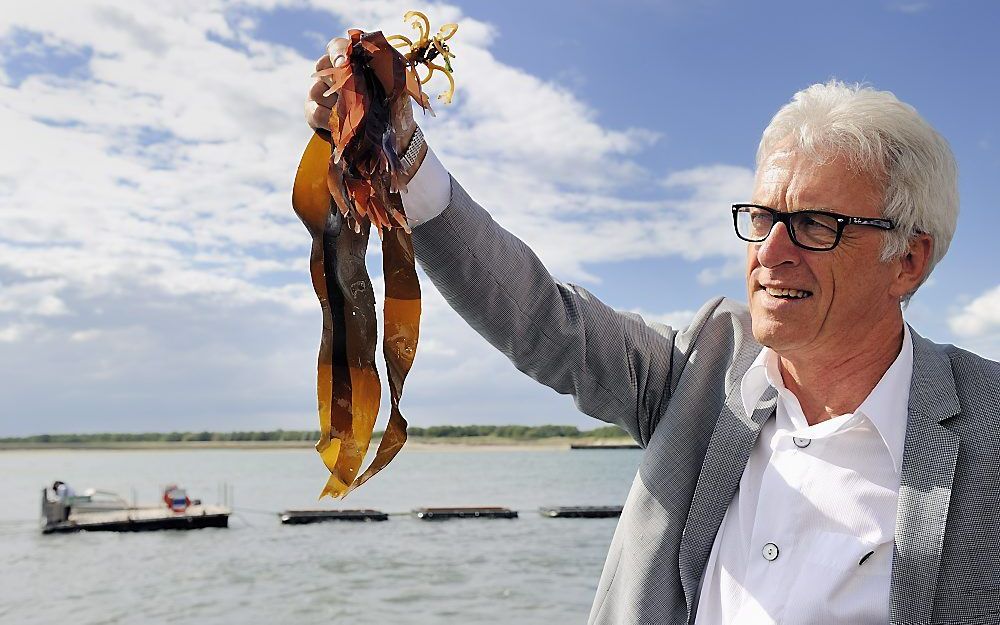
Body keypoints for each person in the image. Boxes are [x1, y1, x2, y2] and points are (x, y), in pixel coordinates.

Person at [307, 58, 999, 624]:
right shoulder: (704, 366)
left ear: (908, 259)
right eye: (761, 216)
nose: (771, 250)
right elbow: (542, 319)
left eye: (815, 223)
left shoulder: (989, 422)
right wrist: (395, 148)